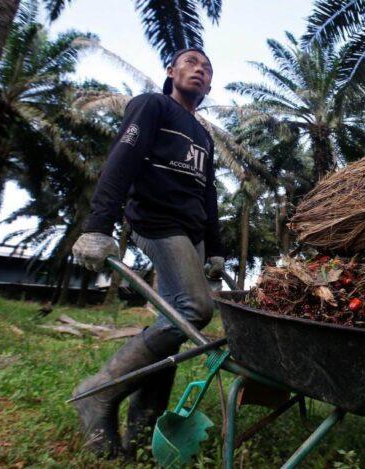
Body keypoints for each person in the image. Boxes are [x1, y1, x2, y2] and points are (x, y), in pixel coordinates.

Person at [70, 47, 224, 458]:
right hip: (157, 221)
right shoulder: (152, 106)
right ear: (171, 71)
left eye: (207, 69)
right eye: (192, 63)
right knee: (192, 310)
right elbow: (122, 158)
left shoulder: (204, 136)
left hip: (191, 232)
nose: (200, 70)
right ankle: (95, 393)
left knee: (170, 320)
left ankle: (145, 420)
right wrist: (98, 226)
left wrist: (217, 249)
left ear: (209, 85)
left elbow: (208, 195)